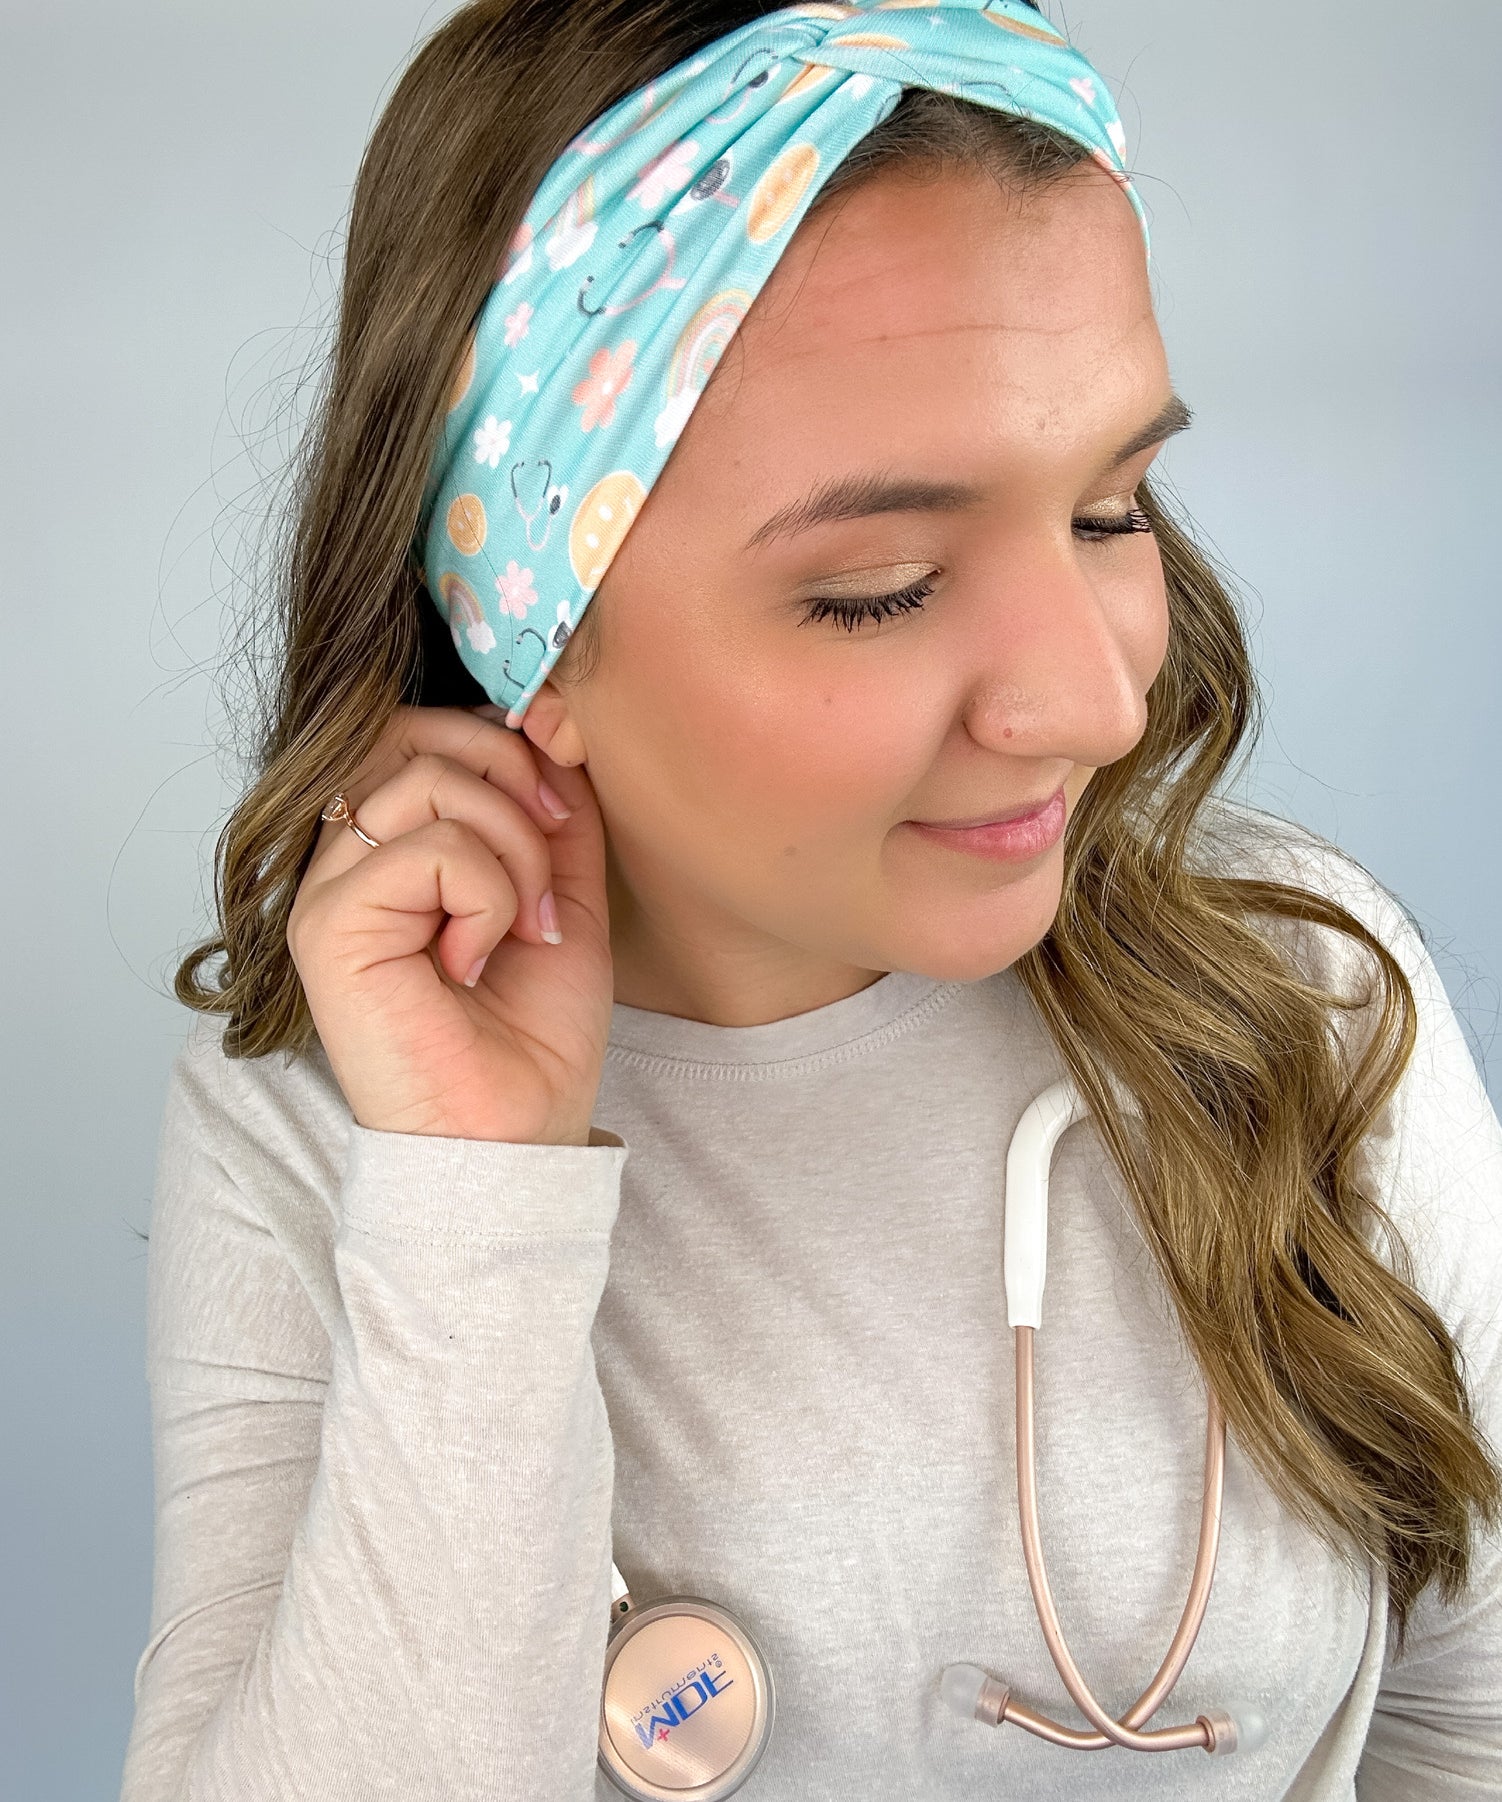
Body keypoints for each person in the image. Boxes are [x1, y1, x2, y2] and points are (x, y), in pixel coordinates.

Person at [118, 1, 1502, 1798]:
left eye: (1110, 509)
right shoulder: (327, 1129)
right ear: (530, 628)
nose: (1094, 704)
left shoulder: (1296, 993)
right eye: (884, 586)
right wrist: (474, 1201)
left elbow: (1466, 1727)